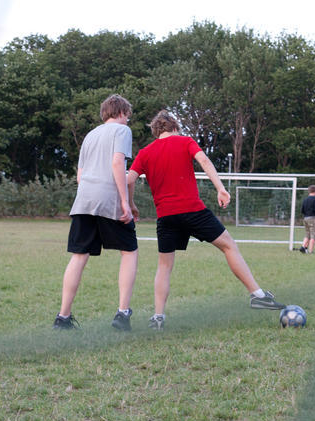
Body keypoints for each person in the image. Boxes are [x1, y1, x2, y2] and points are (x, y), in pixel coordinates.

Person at [127, 110, 284, 330]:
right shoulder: (185, 141)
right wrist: (220, 189)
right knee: (229, 246)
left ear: (156, 131)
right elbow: (204, 160)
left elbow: (129, 180)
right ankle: (257, 295)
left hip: (166, 216)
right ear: (175, 127)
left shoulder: (145, 152)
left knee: (164, 266)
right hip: (193, 211)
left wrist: (131, 204)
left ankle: (158, 317)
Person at [53, 94, 138, 331]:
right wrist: (124, 202)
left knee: (79, 255)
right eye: (127, 117)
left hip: (84, 200)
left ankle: (63, 317)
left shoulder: (90, 135)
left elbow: (80, 176)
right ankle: (122, 313)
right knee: (129, 251)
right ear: (121, 113)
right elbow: (117, 163)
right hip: (108, 198)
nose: (128, 121)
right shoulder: (122, 131)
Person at [299, 185, 315, 254]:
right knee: (313, 235)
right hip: (312, 218)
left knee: (307, 234)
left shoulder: (305, 199)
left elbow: (302, 210)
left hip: (305, 218)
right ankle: (310, 251)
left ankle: (303, 247)